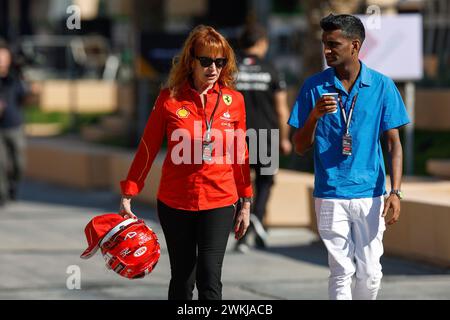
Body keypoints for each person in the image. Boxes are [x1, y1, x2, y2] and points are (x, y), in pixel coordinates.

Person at [119, 25, 253, 300]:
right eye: (206, 61)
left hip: (220, 199)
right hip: (176, 201)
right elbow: (148, 147)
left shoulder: (234, 101)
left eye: (220, 61)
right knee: (182, 277)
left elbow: (240, 154)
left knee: (209, 276)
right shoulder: (169, 99)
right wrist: (129, 191)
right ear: (191, 62)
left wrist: (246, 201)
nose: (213, 68)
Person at [288, 14, 410, 300]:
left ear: (355, 46)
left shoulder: (382, 86)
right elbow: (299, 146)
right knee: (341, 270)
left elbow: (394, 145)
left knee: (370, 273)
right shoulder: (313, 87)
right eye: (324, 44)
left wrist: (396, 192)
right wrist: (314, 116)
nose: (327, 50)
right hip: (329, 193)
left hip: (371, 195)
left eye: (334, 44)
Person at [234, 24, 292, 252]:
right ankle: (256, 218)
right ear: (262, 43)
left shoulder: (232, 69)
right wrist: (285, 138)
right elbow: (281, 109)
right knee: (266, 180)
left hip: (236, 136)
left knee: (239, 182)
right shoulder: (271, 69)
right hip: (267, 135)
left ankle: (244, 229)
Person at [0, 39, 28, 207]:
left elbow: (24, 97)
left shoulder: (15, 77)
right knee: (1, 163)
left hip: (15, 126)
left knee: (19, 163)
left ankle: (12, 186)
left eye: (4, 57)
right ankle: (2, 195)